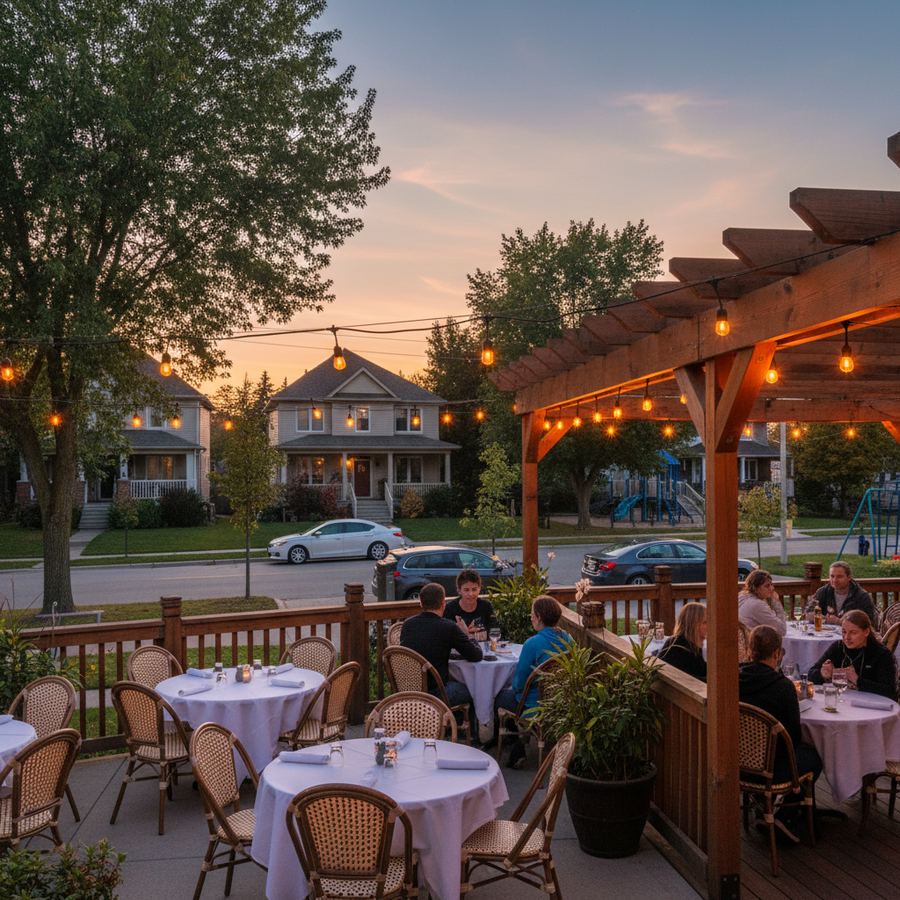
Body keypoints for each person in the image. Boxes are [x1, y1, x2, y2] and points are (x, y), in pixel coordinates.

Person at [492, 595, 572, 768]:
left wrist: (512, 687)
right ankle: (523, 740)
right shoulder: (568, 639)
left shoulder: (533, 643)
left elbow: (519, 684)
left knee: (498, 696)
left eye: (532, 614)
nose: (530, 617)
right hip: (562, 702)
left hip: (534, 705)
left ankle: (516, 746)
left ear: (539, 617)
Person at [739, 625, 823, 783]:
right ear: (777, 653)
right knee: (814, 756)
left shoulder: (735, 678)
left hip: (736, 762)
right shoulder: (783, 687)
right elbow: (793, 737)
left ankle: (766, 803)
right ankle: (791, 807)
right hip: (771, 768)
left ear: (749, 651)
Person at [400, 582, 482, 712]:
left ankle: (448, 727)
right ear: (443, 603)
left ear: (420, 603)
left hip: (407, 690)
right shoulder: (448, 627)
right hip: (435, 692)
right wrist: (467, 635)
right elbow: (476, 655)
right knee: (472, 689)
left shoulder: (407, 624)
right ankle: (464, 732)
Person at [807, 610, 897, 699]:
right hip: (842, 701)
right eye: (844, 632)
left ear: (866, 632)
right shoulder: (838, 647)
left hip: (869, 706)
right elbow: (810, 675)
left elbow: (890, 692)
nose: (847, 638)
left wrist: (857, 680)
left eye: (853, 633)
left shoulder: (881, 654)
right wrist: (822, 674)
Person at [806, 561, 877, 626]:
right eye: (832, 576)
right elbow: (808, 614)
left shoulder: (861, 596)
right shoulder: (823, 592)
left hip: (853, 638)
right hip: (827, 635)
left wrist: (839, 622)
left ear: (849, 577)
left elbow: (870, 622)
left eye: (839, 576)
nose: (835, 580)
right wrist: (825, 619)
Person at [656, 602, 707, 681]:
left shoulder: (676, 641)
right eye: (705, 622)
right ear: (694, 625)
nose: (711, 625)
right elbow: (693, 680)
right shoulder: (680, 650)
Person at [443, 569, 496, 635]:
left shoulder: (486, 606)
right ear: (459, 590)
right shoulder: (450, 609)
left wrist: (473, 634)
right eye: (466, 590)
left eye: (474, 589)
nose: (471, 594)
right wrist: (466, 633)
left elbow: (494, 632)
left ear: (479, 589)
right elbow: (444, 637)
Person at [738, 570, 787, 636]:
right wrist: (776, 602)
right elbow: (782, 631)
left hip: (744, 642)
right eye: (767, 586)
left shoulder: (741, 596)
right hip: (755, 644)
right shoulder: (756, 605)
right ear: (755, 588)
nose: (772, 588)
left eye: (771, 584)